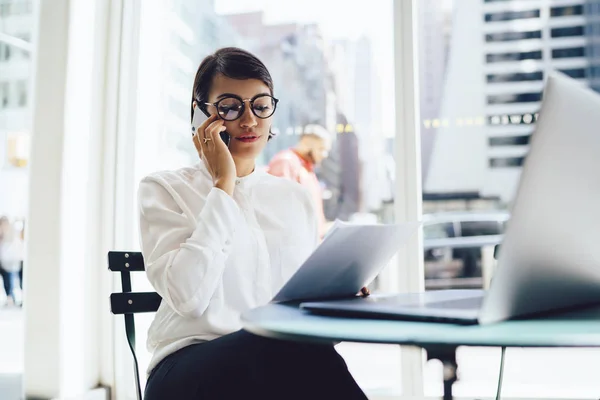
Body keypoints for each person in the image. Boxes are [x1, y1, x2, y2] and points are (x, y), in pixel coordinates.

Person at [139, 47, 367, 400]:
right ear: (202, 116)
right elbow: (188, 298)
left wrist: (334, 300)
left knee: (302, 347)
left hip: (274, 365)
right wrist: (223, 186)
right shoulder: (164, 189)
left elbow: (302, 324)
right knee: (278, 343)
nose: (249, 120)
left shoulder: (294, 198)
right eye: (230, 107)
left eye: (260, 106)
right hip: (186, 370)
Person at [267, 124, 331, 238]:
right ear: (306, 143)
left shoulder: (308, 170)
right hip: (295, 243)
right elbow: (280, 208)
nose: (324, 155)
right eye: (321, 149)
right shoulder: (285, 162)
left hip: (311, 242)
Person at [0, 217, 23, 306]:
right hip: (3, 260)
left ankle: (10, 297)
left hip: (7, 261)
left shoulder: (11, 234)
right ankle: (10, 297)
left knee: (8, 279)